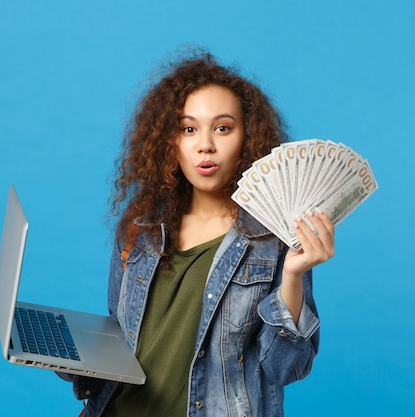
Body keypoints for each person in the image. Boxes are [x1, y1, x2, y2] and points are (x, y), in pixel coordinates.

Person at [59, 49, 335, 417]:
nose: (205, 144)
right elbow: (122, 334)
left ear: (248, 139)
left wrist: (293, 275)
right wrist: (73, 353)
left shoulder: (275, 240)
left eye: (222, 127)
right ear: (169, 142)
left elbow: (287, 367)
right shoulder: (140, 225)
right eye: (189, 128)